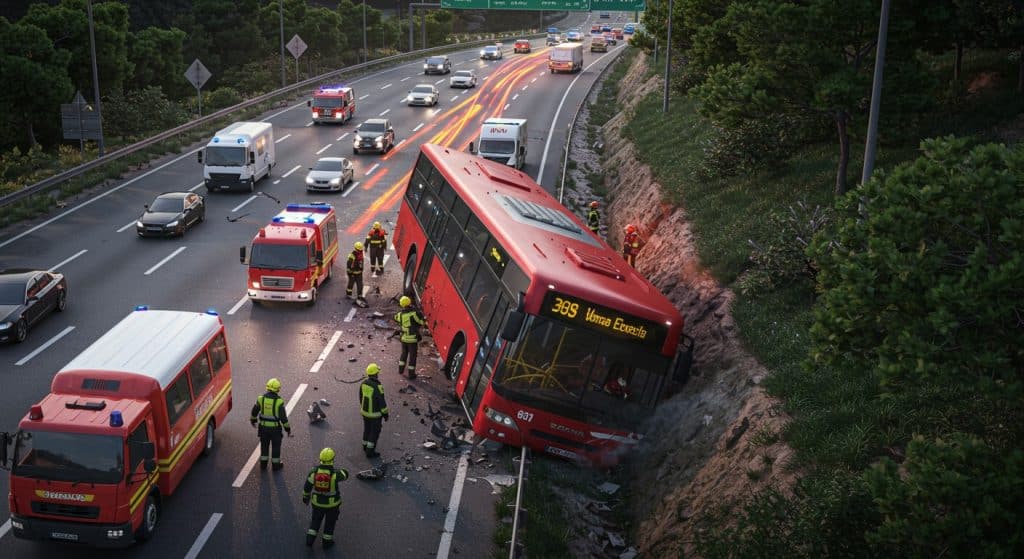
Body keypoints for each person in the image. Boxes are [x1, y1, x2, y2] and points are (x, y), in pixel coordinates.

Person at [302, 447, 349, 549]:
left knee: (315, 520)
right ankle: (327, 542)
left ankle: (310, 539)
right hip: (332, 505)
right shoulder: (335, 474)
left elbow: (307, 487)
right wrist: (338, 469)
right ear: (332, 459)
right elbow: (346, 474)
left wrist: (305, 497)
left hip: (317, 504)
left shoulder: (313, 472)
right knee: (330, 523)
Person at [250, 378, 292, 470]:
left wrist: (253, 420)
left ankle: (263, 465)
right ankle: (276, 465)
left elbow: (254, 411)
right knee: (276, 447)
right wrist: (288, 429)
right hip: (275, 430)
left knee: (264, 446)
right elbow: (283, 418)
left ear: (267, 387)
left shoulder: (261, 399)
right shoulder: (279, 402)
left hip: (263, 428)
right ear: (278, 389)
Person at [359, 363, 389, 458]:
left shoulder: (363, 383)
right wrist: (385, 414)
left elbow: (361, 397)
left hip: (365, 413)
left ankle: (365, 446)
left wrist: (363, 407)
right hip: (375, 415)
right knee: (374, 433)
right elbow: (382, 403)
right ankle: (370, 452)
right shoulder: (377, 386)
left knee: (367, 429)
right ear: (375, 374)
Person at [394, 295, 426, 379]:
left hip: (404, 338)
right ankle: (411, 374)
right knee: (412, 357)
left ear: (401, 304)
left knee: (404, 354)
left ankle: (400, 370)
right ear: (409, 302)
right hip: (412, 340)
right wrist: (421, 315)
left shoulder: (400, 315)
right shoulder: (414, 314)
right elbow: (421, 322)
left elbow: (395, 318)